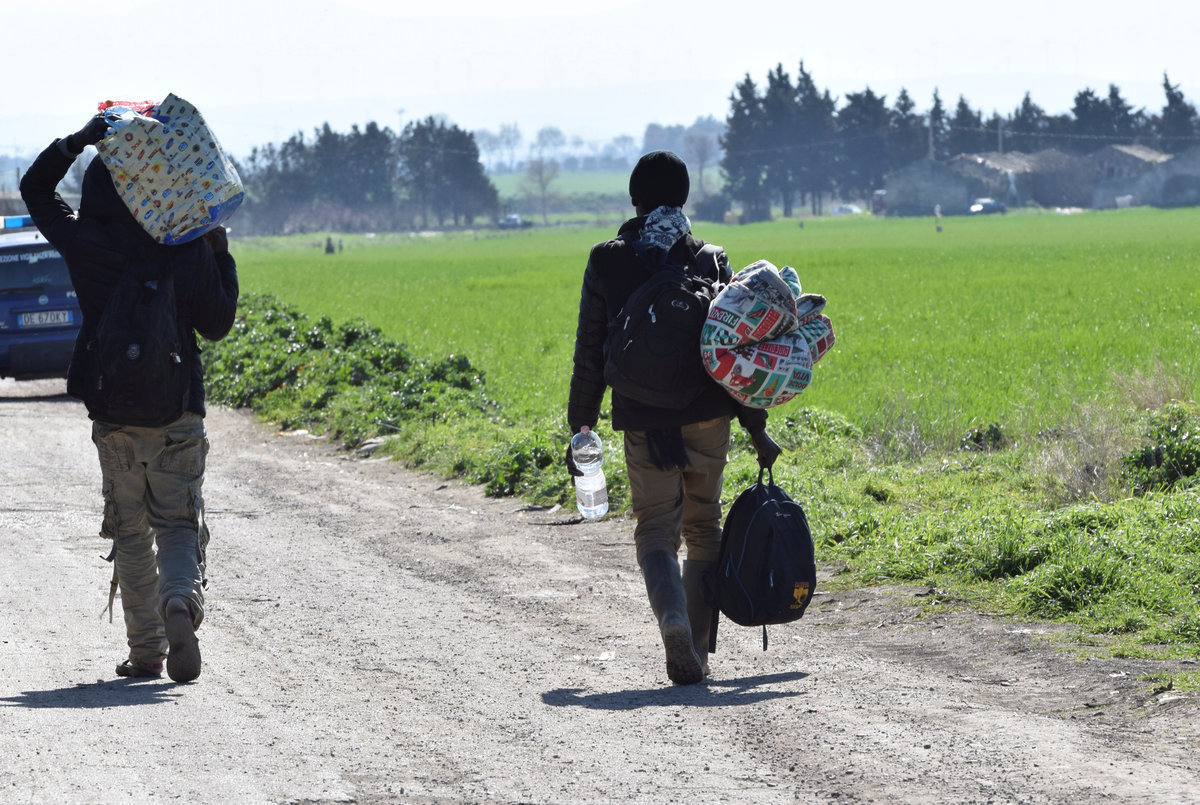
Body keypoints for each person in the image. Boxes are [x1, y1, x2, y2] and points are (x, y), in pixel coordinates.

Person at [20, 113, 239, 683]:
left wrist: (79, 140)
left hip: (112, 409)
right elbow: (218, 324)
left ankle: (147, 652)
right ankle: (180, 603)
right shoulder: (182, 244)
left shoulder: (83, 240)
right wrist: (218, 249)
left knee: (130, 529)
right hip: (178, 408)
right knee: (176, 523)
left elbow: (35, 189)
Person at [566, 150, 781, 685]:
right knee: (703, 528)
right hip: (708, 413)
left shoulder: (607, 259)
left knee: (657, 532)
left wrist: (581, 424)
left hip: (642, 418)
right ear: (684, 197)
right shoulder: (711, 259)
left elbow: (589, 349)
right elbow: (736, 351)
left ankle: (673, 622)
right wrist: (757, 429)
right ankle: (700, 655)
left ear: (634, 197)